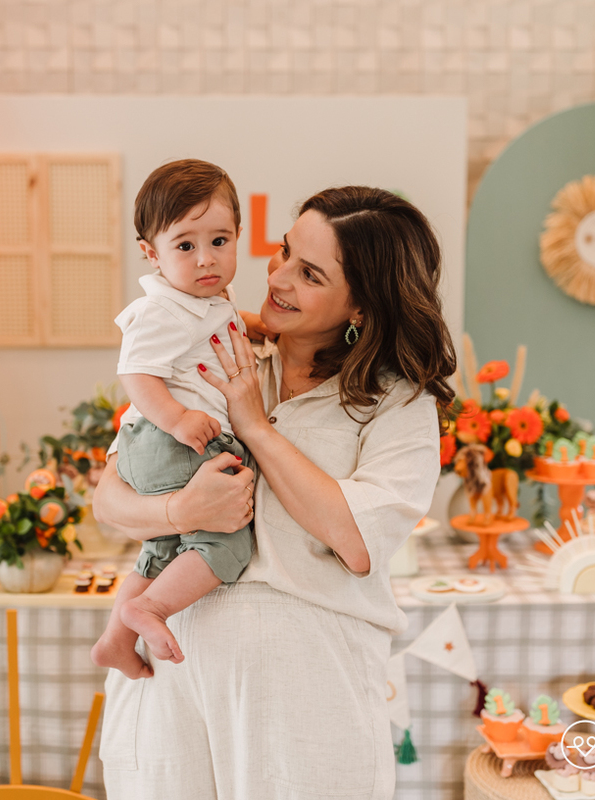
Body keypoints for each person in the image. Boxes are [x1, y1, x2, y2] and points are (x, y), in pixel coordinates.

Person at [94, 185, 457, 799]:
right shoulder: (213, 344)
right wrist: (177, 511)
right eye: (285, 251)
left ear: (362, 307)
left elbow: (356, 537)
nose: (279, 277)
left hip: (307, 692)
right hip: (171, 675)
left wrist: (254, 425)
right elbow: (111, 498)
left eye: (309, 272)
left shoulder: (399, 403)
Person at [91, 159, 256, 680]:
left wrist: (260, 327)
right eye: (185, 245)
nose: (206, 259)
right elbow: (136, 374)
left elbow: (227, 322)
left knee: (164, 546)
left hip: (161, 444)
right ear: (151, 253)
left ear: (237, 237)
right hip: (170, 441)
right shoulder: (160, 310)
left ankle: (116, 640)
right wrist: (180, 418)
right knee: (224, 540)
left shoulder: (202, 299)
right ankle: (149, 611)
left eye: (220, 241)